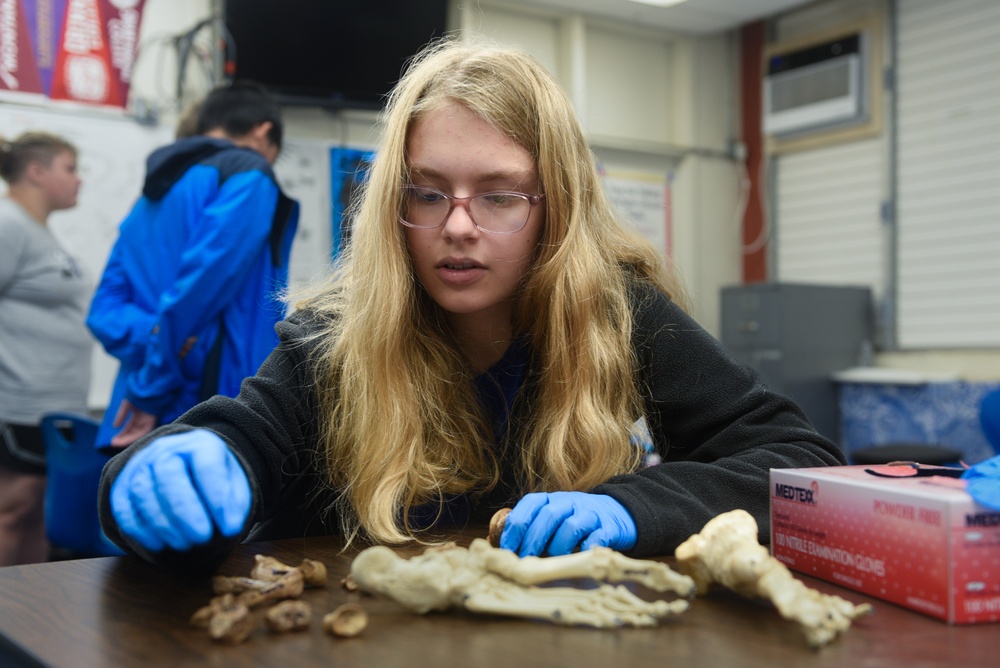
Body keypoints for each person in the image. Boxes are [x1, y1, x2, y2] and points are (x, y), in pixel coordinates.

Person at [97, 40, 845, 572]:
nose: (457, 226)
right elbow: (243, 438)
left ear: (556, 206)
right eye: (427, 192)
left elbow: (800, 462)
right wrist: (155, 477)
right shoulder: (339, 336)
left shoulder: (618, 311)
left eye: (498, 195)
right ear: (395, 205)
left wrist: (635, 506)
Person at [86, 82, 299, 450]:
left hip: (133, 404)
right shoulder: (249, 175)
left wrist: (155, 341)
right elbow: (200, 287)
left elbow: (103, 310)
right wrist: (158, 377)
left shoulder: (151, 197)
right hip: (209, 409)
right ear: (264, 132)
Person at [0, 132, 90, 565]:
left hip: (50, 409)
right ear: (37, 172)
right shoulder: (7, 222)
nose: (79, 180)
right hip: (17, 406)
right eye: (70, 168)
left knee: (35, 513)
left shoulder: (37, 231)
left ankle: (25, 628)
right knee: (12, 510)